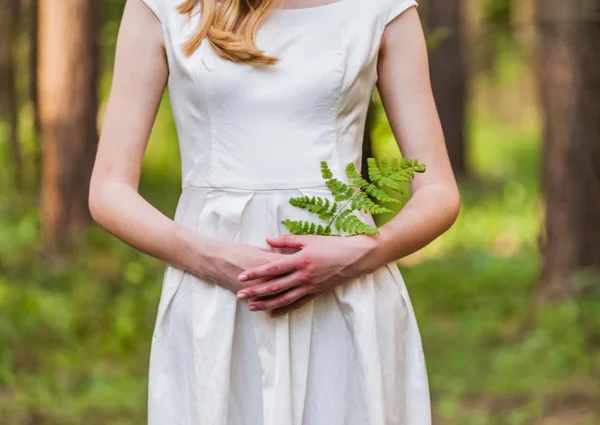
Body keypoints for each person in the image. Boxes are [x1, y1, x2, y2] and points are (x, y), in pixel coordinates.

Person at [89, 0, 460, 423]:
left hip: (345, 298)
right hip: (216, 304)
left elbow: (438, 190)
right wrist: (211, 259)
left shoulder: (382, 8)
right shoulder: (162, 6)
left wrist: (360, 254)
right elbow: (109, 188)